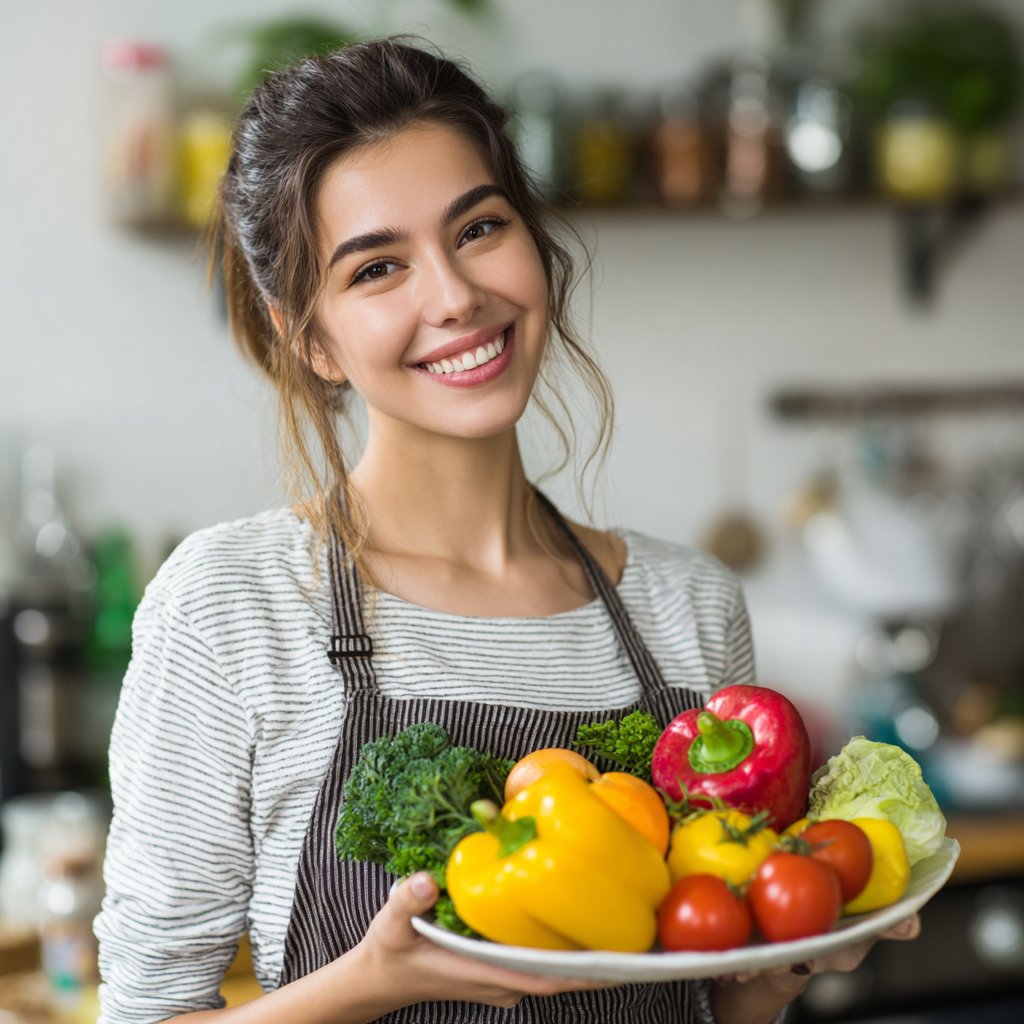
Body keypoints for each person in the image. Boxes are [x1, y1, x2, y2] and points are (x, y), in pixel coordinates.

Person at [94, 38, 919, 1024]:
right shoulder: (233, 603)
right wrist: (377, 980)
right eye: (378, 268)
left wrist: (783, 967)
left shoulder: (688, 605)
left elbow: (706, 1005)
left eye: (479, 227)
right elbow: (144, 1013)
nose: (454, 297)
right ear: (310, 338)